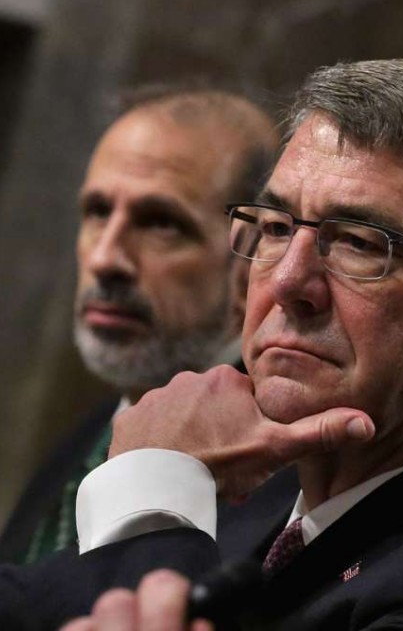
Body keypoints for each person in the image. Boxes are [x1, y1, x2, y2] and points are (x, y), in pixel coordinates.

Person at [30, 59, 403, 629]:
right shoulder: (269, 491)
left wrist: (152, 495)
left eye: (358, 242)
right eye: (275, 228)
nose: (288, 282)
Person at [0, 85, 289, 566]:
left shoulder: (274, 469)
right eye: (97, 211)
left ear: (254, 252)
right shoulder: (95, 431)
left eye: (161, 223)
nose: (106, 258)